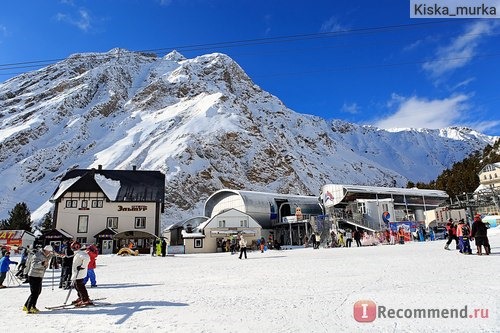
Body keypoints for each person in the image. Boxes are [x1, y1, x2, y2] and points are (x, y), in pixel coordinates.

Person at [23, 245, 54, 313]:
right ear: (45, 250)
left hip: (39, 276)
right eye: (48, 252)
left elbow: (49, 257)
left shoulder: (46, 255)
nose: (49, 253)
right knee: (35, 293)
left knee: (38, 292)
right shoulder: (37, 255)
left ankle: (27, 306)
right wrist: (42, 263)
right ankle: (30, 307)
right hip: (33, 275)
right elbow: (34, 265)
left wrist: (54, 255)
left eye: (50, 252)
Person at [70, 241, 92, 306]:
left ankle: (85, 299)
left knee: (80, 286)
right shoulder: (78, 253)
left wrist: (83, 266)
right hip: (77, 272)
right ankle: (81, 297)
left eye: (74, 247)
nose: (73, 249)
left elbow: (87, 258)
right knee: (77, 286)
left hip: (79, 273)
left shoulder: (80, 253)